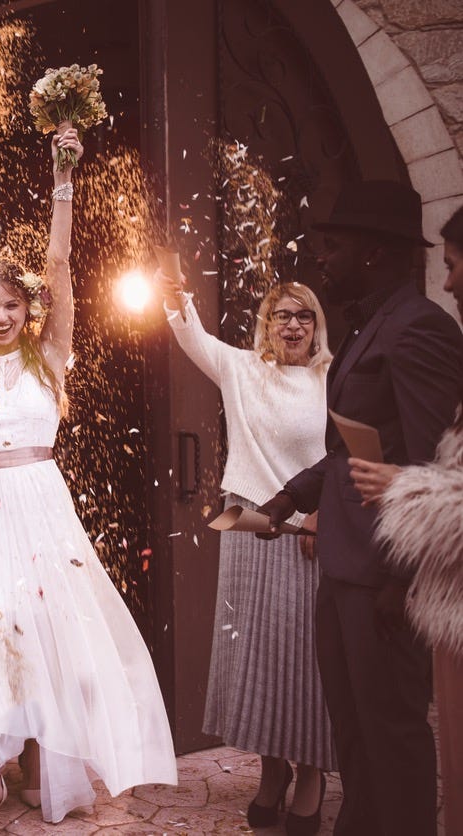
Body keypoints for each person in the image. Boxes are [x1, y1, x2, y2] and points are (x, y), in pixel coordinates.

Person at [0, 129, 176, 831]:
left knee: (49, 627)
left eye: (12, 305)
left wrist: (62, 180)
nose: (1, 316)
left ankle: (47, 762)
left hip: (42, 501)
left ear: (28, 310)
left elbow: (61, 264)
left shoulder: (49, 356)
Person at [260, 181, 463, 836]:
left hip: (383, 579)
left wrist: (402, 583)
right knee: (354, 739)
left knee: (392, 742)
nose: (323, 258)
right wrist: (292, 496)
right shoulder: (369, 324)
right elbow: (354, 449)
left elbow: (435, 467)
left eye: (334, 245)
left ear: (374, 251)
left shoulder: (420, 328)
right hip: (344, 567)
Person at [154, 273, 335, 832]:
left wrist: (325, 512)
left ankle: (311, 772)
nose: (293, 326)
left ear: (317, 325)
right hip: (249, 523)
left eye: (303, 315)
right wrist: (174, 291)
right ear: (266, 323)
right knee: (256, 655)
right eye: (282, 315)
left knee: (304, 657)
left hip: (306, 529)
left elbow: (345, 455)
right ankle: (271, 769)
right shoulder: (242, 368)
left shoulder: (332, 377)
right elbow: (191, 335)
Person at [348, 204, 463, 836]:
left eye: (455, 265)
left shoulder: (419, 328)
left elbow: (427, 454)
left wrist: (406, 488)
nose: (447, 282)